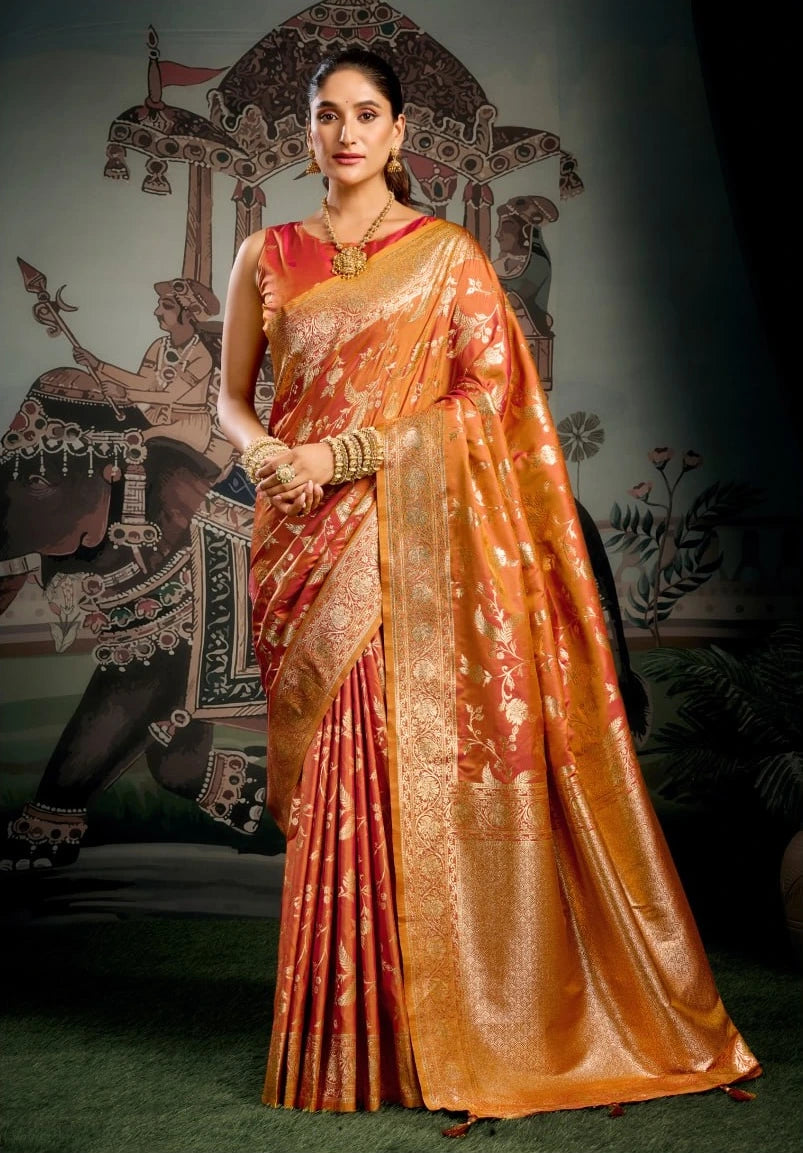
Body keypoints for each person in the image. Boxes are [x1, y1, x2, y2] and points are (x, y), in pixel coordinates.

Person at [217, 46, 760, 1125]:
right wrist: (268, 453)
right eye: (327, 116)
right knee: (335, 779)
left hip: (413, 549)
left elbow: (491, 408)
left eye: (365, 114)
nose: (345, 133)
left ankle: (444, 1033)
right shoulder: (264, 255)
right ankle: (346, 1044)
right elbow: (229, 399)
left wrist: (355, 453)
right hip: (302, 534)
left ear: (400, 133)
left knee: (396, 757)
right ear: (307, 133)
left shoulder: (447, 257)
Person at [74, 278, 229, 466]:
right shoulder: (159, 346)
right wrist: (98, 365)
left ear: (189, 314)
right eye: (159, 305)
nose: (157, 312)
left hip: (189, 427)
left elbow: (169, 396)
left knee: (135, 442)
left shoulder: (201, 356)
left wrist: (125, 394)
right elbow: (144, 383)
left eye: (166, 306)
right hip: (154, 418)